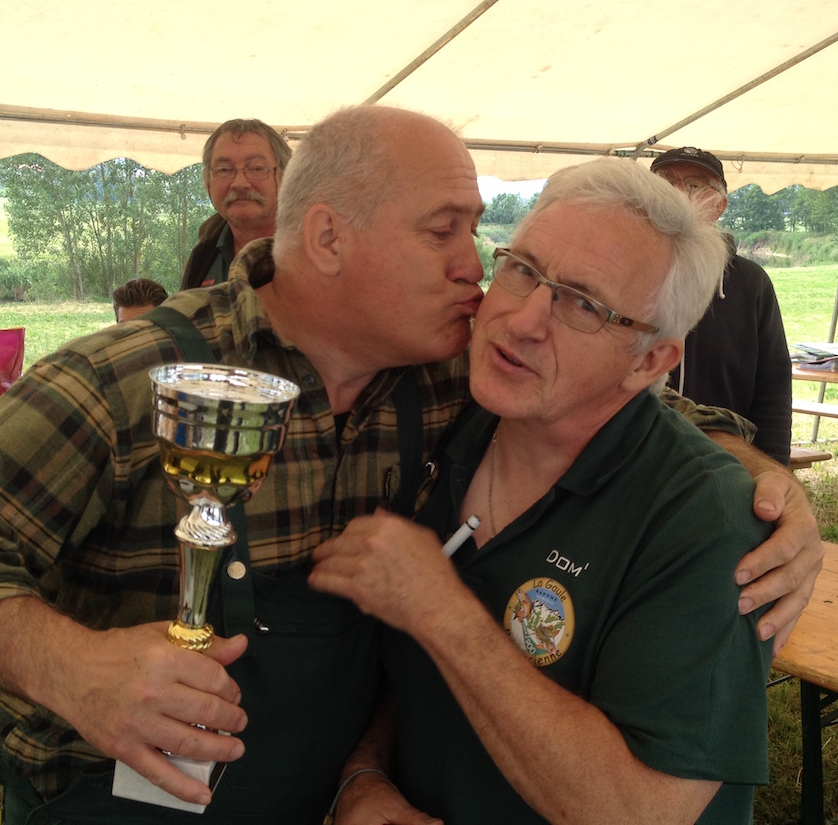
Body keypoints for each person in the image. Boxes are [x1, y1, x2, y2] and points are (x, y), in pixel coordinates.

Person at [0, 106, 820, 825]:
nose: (477, 271)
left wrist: (762, 489)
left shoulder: (449, 378)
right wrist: (74, 669)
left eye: (482, 236)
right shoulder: (135, 378)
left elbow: (630, 402)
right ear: (326, 237)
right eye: (444, 231)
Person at [311, 158, 775, 824]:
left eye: (583, 304)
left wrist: (440, 610)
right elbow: (413, 679)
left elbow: (639, 810)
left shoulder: (702, 517)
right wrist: (364, 774)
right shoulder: (453, 432)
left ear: (649, 360)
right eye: (523, 269)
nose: (523, 319)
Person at [651, 146, 792, 464]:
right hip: (636, 463)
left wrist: (772, 467)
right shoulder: (624, 271)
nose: (678, 193)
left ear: (720, 205)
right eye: (665, 182)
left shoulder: (750, 282)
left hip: (726, 465)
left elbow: (773, 385)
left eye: (695, 185)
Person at [179, 118, 292, 290]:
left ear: (285, 177)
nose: (239, 183)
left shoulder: (316, 252)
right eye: (224, 170)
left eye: (256, 168)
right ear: (207, 182)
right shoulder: (203, 257)